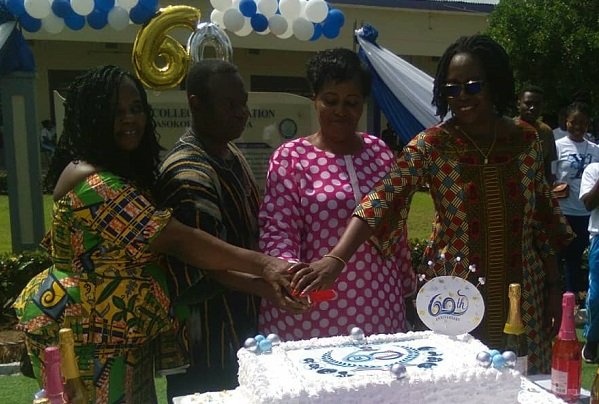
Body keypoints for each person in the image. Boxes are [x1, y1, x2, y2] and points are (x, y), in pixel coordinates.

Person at [12, 65, 306, 404]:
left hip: (120, 333)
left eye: (136, 108)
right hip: (88, 336)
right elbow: (181, 240)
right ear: (92, 116)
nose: (130, 119)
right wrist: (267, 267)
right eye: (117, 111)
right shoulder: (98, 185)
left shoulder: (114, 172)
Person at [290, 35, 573, 374]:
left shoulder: (526, 140)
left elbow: (543, 218)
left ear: (494, 83)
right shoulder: (432, 145)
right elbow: (383, 198)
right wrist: (336, 259)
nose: (462, 97)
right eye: (452, 89)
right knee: (459, 383)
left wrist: (556, 287)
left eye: (472, 86)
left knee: (521, 383)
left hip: (523, 295)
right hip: (453, 299)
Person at [154, 60, 309, 400]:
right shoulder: (187, 173)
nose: (242, 113)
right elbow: (205, 260)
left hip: (241, 324)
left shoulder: (229, 154)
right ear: (196, 103)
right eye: (230, 104)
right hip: (206, 336)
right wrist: (266, 281)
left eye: (243, 103)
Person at [258, 48, 415, 341]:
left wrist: (407, 284)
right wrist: (291, 276)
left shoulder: (379, 153)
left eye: (351, 102)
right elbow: (278, 228)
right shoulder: (291, 157)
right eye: (330, 101)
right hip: (316, 303)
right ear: (314, 100)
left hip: (379, 300)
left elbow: (397, 227)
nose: (340, 111)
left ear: (362, 105)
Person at [554, 102, 599, 303]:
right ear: (566, 122)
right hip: (563, 211)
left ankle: (572, 301)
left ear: (588, 124)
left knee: (575, 259)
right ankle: (557, 299)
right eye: (574, 122)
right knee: (557, 258)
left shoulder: (595, 149)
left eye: (583, 123)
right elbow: (550, 176)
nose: (578, 127)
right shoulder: (558, 145)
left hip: (586, 214)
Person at [514, 85, 557, 184]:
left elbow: (551, 163)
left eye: (537, 104)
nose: (532, 108)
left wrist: (551, 185)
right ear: (518, 104)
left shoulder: (546, 131)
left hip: (537, 189)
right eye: (528, 103)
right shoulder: (508, 129)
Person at [580, 161, 599, 363]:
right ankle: (593, 340)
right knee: (596, 298)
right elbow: (588, 203)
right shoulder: (593, 169)